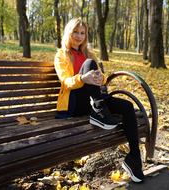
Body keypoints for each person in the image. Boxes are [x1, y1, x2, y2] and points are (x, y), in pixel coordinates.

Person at [54, 18, 145, 182]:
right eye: (75, 32)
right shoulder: (61, 55)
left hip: (95, 100)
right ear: (68, 32)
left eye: (82, 33)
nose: (79, 36)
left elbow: (102, 81)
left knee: (127, 106)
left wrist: (98, 78)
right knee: (89, 64)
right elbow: (65, 82)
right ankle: (98, 110)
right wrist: (83, 78)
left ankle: (134, 158)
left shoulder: (89, 54)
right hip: (74, 103)